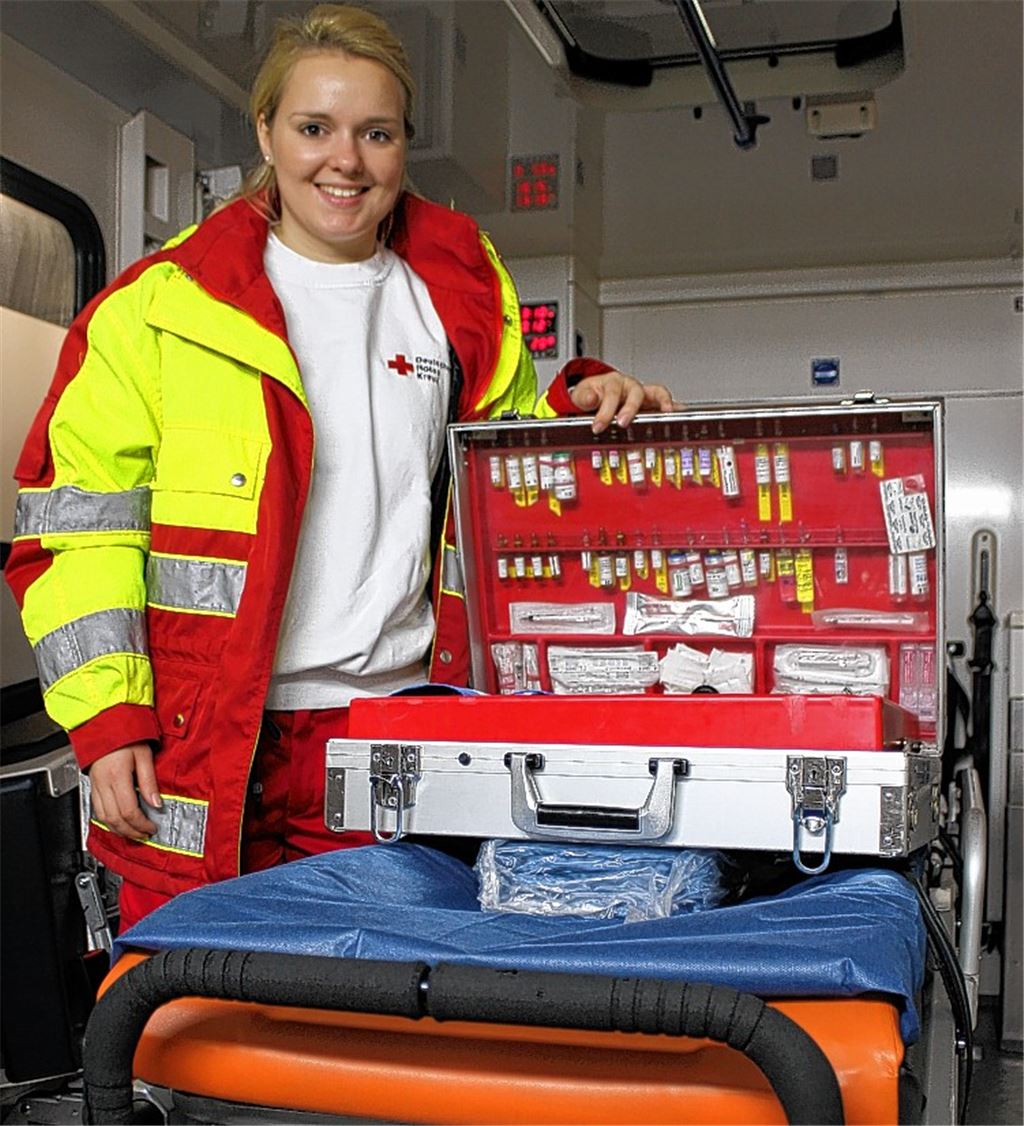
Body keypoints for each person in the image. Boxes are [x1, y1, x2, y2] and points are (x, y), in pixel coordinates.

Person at [5, 3, 672, 931]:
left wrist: (580, 405)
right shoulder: (154, 312)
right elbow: (78, 532)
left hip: (391, 731)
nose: (344, 161)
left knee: (371, 1025)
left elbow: (504, 465)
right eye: (314, 128)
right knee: (194, 1015)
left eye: (377, 133)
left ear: (406, 146)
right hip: (202, 739)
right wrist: (108, 719)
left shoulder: (458, 295)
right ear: (267, 133)